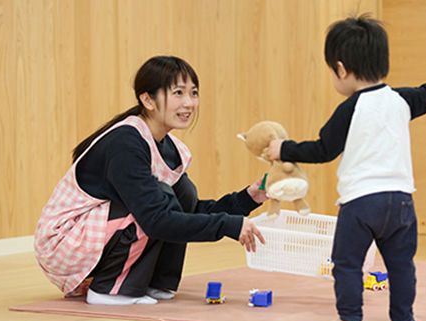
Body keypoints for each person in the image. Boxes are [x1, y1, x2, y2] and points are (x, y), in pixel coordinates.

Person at [266, 15, 426, 321]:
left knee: (347, 264)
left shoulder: (350, 108)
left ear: (341, 69)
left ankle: (350, 317)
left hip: (361, 203)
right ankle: (403, 317)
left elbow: (323, 150)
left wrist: (283, 149)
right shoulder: (401, 99)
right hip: (402, 201)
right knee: (401, 265)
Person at [34, 56, 267, 306]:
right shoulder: (126, 142)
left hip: (99, 234)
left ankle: (156, 283)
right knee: (160, 198)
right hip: (64, 243)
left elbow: (186, 209)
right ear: (147, 100)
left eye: (193, 93)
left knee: (183, 192)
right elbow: (156, 220)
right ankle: (109, 290)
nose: (189, 103)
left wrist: (248, 198)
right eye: (178, 93)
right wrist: (228, 226)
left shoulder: (170, 148)